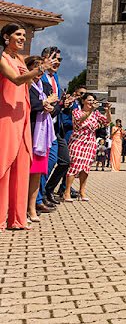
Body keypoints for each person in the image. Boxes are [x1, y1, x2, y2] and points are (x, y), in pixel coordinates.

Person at [0, 24, 46, 230]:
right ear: (5, 36)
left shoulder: (20, 59)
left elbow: (26, 84)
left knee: (21, 166)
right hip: (7, 115)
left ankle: (17, 218)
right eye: (18, 35)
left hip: (23, 115)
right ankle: (1, 217)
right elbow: (17, 80)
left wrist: (34, 75)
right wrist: (37, 71)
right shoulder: (2, 58)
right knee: (4, 164)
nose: (22, 38)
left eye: (24, 35)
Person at [63, 93, 110, 201]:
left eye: (93, 100)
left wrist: (107, 111)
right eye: (89, 100)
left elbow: (107, 122)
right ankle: (67, 192)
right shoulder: (76, 112)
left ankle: (82, 191)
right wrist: (90, 111)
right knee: (74, 166)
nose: (91, 102)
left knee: (85, 168)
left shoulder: (96, 114)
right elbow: (80, 121)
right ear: (83, 101)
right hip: (78, 141)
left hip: (90, 142)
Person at [27, 55, 56, 222]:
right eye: (36, 67)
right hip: (30, 131)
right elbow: (30, 105)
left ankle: (32, 208)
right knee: (26, 173)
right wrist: (45, 103)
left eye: (41, 67)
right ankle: (23, 207)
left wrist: (50, 106)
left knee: (37, 173)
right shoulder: (26, 85)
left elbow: (53, 104)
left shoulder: (43, 86)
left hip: (42, 134)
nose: (39, 70)